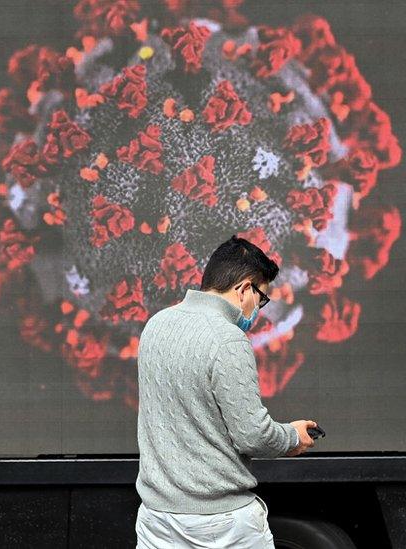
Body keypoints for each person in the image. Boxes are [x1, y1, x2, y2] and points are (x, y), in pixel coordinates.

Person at [135, 235, 317, 548]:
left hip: (156, 518)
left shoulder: (157, 324)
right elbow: (252, 436)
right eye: (261, 299)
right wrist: (291, 436)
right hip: (221, 526)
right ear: (245, 288)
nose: (258, 308)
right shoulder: (227, 339)